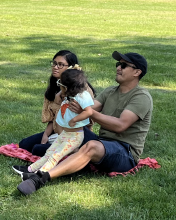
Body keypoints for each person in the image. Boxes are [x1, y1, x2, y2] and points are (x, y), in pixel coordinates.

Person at [17, 51, 153, 196]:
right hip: (103, 143)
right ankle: (40, 163)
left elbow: (120, 125)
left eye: (124, 65)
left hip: (125, 152)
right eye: (118, 64)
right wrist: (69, 92)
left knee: (91, 146)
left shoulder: (141, 97)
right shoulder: (110, 91)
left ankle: (40, 178)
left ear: (137, 72)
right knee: (69, 134)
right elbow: (89, 107)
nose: (118, 67)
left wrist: (89, 112)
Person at [14, 67, 95, 180]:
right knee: (49, 152)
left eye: (60, 83)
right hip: (65, 134)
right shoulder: (69, 93)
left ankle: (39, 175)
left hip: (75, 136)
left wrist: (74, 120)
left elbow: (89, 111)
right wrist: (61, 93)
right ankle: (30, 169)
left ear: (67, 87)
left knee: (56, 156)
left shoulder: (82, 96)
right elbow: (59, 100)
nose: (59, 85)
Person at [17, 50, 98, 156]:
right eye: (54, 63)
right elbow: (53, 118)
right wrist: (46, 134)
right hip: (57, 130)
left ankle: (74, 151)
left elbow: (83, 120)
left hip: (74, 133)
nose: (55, 67)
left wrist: (57, 103)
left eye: (60, 65)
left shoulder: (81, 90)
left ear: (71, 68)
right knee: (24, 144)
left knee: (37, 149)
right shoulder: (55, 86)